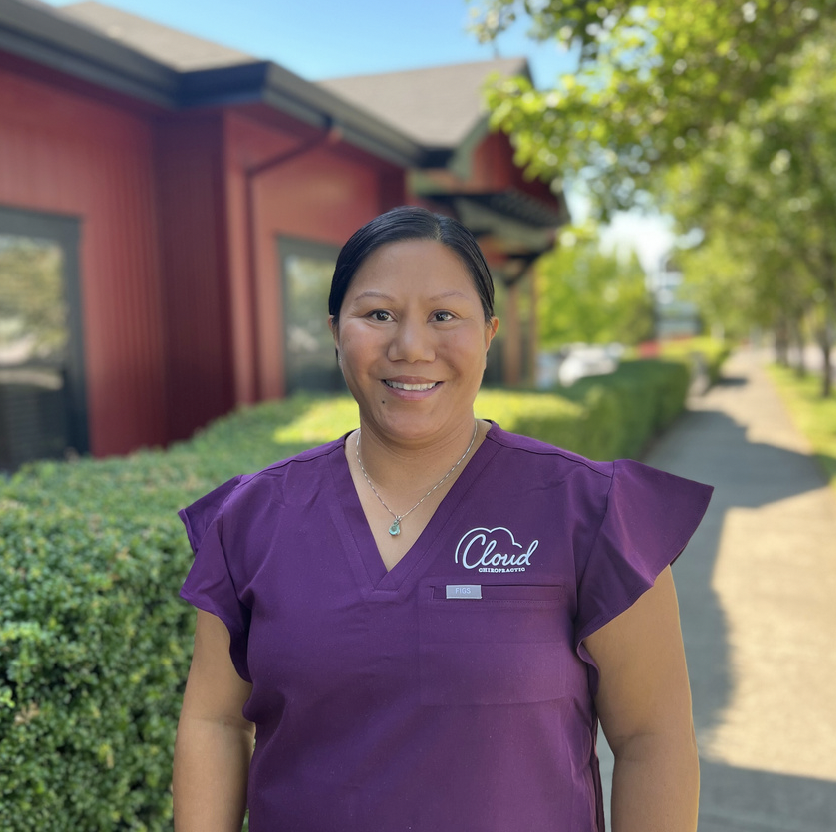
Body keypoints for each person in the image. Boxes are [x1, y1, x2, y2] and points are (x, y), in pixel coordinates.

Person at [173, 206, 712, 832]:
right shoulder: (251, 519)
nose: (411, 347)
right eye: (378, 315)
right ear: (336, 331)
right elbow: (216, 721)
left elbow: (652, 738)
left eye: (443, 316)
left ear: (489, 333)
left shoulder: (589, 512)